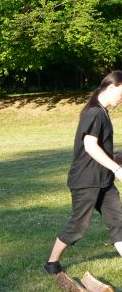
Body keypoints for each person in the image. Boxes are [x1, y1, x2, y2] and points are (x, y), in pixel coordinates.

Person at [45, 71, 122, 274]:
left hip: (103, 181)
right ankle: (52, 262)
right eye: (121, 93)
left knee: (118, 220)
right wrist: (117, 168)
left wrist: (116, 157)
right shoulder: (94, 112)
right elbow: (90, 146)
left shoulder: (102, 112)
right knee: (78, 225)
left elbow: (100, 150)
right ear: (112, 87)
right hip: (86, 181)